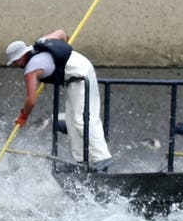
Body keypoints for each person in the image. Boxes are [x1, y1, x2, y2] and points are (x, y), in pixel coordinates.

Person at [7, 29, 110, 168]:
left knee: (82, 120)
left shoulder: (31, 69)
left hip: (81, 75)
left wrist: (23, 116)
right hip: (72, 79)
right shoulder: (42, 41)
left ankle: (102, 158)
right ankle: (82, 162)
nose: (15, 65)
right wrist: (64, 47)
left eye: (15, 62)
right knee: (72, 122)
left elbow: (30, 100)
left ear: (21, 57)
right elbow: (61, 33)